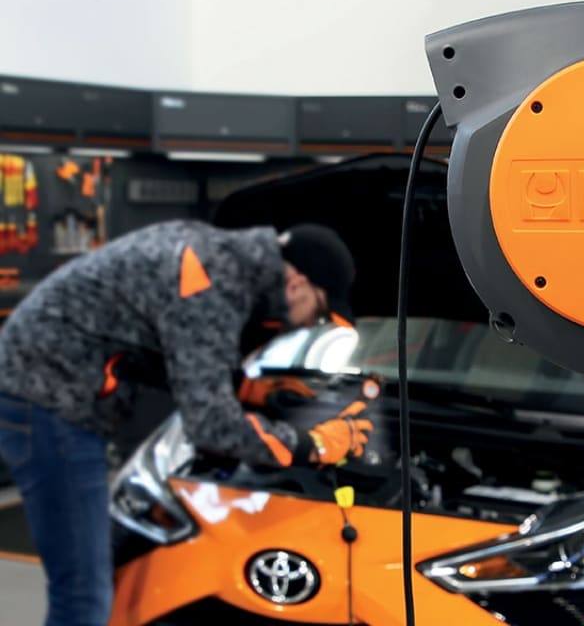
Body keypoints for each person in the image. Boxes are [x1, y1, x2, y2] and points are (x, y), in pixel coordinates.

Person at [0, 219, 373, 626]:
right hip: (46, 399)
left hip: (50, 388)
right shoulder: (211, 282)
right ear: (297, 284)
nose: (308, 324)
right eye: (319, 313)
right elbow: (210, 425)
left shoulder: (218, 258)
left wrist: (248, 390)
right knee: (83, 591)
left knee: (92, 571)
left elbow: (170, 351)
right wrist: (312, 444)